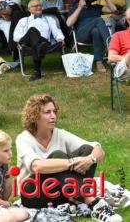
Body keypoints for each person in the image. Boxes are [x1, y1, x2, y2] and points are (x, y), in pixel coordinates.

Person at [16, 94, 122, 222]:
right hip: (33, 194)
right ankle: (94, 203)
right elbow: (37, 166)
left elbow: (98, 149)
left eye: (54, 111)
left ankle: (79, 197)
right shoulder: (24, 138)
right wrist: (70, 162)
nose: (53, 116)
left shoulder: (59, 134)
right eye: (47, 112)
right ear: (35, 116)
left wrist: (91, 159)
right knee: (58, 155)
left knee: (87, 150)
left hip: (60, 193)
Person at [66, 0, 116, 72]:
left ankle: (99, 62)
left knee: (96, 31)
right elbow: (69, 23)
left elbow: (114, 9)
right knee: (99, 19)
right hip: (81, 34)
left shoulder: (96, 7)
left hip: (93, 34)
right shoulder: (74, 8)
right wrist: (80, 7)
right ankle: (111, 46)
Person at [13, 0, 65, 81]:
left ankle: (37, 72)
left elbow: (57, 31)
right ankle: (38, 47)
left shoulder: (50, 19)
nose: (39, 7)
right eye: (35, 6)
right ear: (29, 9)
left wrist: (60, 39)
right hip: (26, 43)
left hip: (44, 43)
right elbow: (15, 36)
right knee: (32, 30)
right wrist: (30, 36)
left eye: (40, 5)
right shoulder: (23, 20)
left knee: (37, 41)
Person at [108, 8, 130, 79]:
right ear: (128, 20)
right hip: (124, 67)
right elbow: (111, 57)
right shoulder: (118, 35)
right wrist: (126, 59)